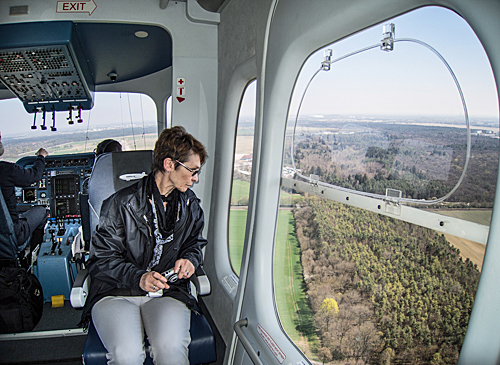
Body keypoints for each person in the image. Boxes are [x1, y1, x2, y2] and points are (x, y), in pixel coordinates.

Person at [81, 126, 208, 365]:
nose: (195, 178)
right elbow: (101, 261)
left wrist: (190, 259)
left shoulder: (190, 205)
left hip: (167, 291)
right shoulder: (120, 204)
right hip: (116, 292)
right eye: (192, 171)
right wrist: (139, 278)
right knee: (127, 355)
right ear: (169, 164)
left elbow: (194, 242)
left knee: (171, 349)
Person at [0, 132, 49, 255]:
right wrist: (41, 157)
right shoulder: (5, 169)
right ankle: (33, 258)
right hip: (12, 234)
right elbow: (33, 177)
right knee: (42, 211)